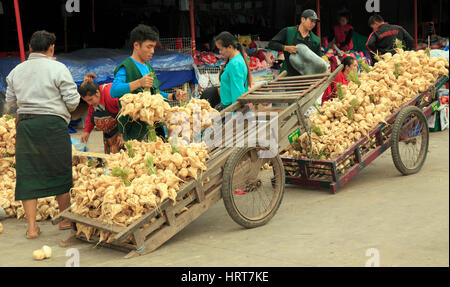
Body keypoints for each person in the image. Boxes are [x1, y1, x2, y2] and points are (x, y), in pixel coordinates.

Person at [5, 30, 80, 238]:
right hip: (53, 124)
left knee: (28, 174)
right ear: (52, 48)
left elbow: (11, 103)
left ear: (30, 48)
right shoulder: (59, 68)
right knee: (60, 169)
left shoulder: (16, 71)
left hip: (27, 126)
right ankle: (65, 219)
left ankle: (31, 227)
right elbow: (73, 102)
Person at [110, 24, 187, 141]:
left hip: (153, 126)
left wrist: (173, 96)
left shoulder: (149, 67)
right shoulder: (126, 67)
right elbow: (114, 91)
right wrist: (139, 83)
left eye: (154, 47)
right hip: (134, 130)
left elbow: (154, 94)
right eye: (149, 47)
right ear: (136, 45)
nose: (152, 51)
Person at [200, 32, 252, 111]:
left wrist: (236, 114)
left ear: (230, 47)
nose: (219, 52)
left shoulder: (235, 64)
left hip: (230, 107)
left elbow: (237, 90)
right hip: (228, 105)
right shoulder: (236, 59)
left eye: (221, 49)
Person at [78, 73, 123, 154]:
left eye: (90, 100)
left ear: (97, 92)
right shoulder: (92, 102)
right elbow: (91, 115)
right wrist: (87, 132)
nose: (89, 103)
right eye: (86, 101)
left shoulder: (111, 95)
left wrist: (122, 134)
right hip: (109, 132)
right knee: (111, 158)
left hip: (124, 125)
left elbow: (125, 113)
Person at [268, 9, 321, 76]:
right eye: (311, 21)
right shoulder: (288, 31)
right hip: (287, 75)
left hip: (305, 77)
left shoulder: (315, 40)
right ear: (303, 19)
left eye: (315, 22)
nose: (313, 24)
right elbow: (271, 44)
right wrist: (286, 48)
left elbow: (318, 60)